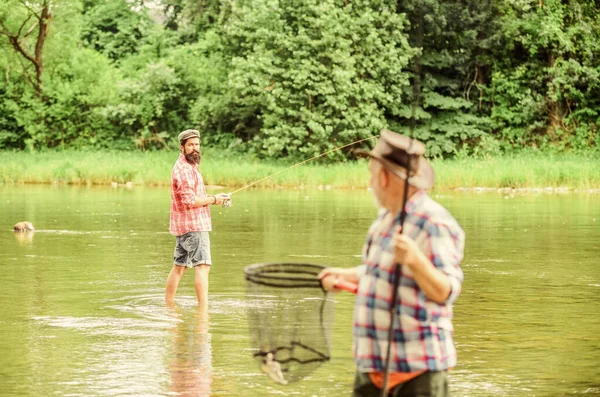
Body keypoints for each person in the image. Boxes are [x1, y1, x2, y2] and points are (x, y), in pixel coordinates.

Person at [319, 129, 465, 397]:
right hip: (372, 372)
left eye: (371, 175)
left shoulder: (434, 222)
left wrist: (415, 260)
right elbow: (378, 272)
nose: (370, 182)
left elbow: (446, 292)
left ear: (384, 177)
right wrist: (345, 276)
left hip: (418, 376)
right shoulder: (384, 219)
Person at [166, 129, 230, 309]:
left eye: (197, 144)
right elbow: (189, 202)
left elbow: (195, 196)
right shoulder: (185, 169)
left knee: (179, 267)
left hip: (183, 226)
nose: (195, 148)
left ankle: (169, 305)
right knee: (203, 267)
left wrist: (216, 197)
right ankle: (203, 311)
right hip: (194, 226)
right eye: (190, 145)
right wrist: (215, 200)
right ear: (182, 146)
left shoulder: (188, 164)